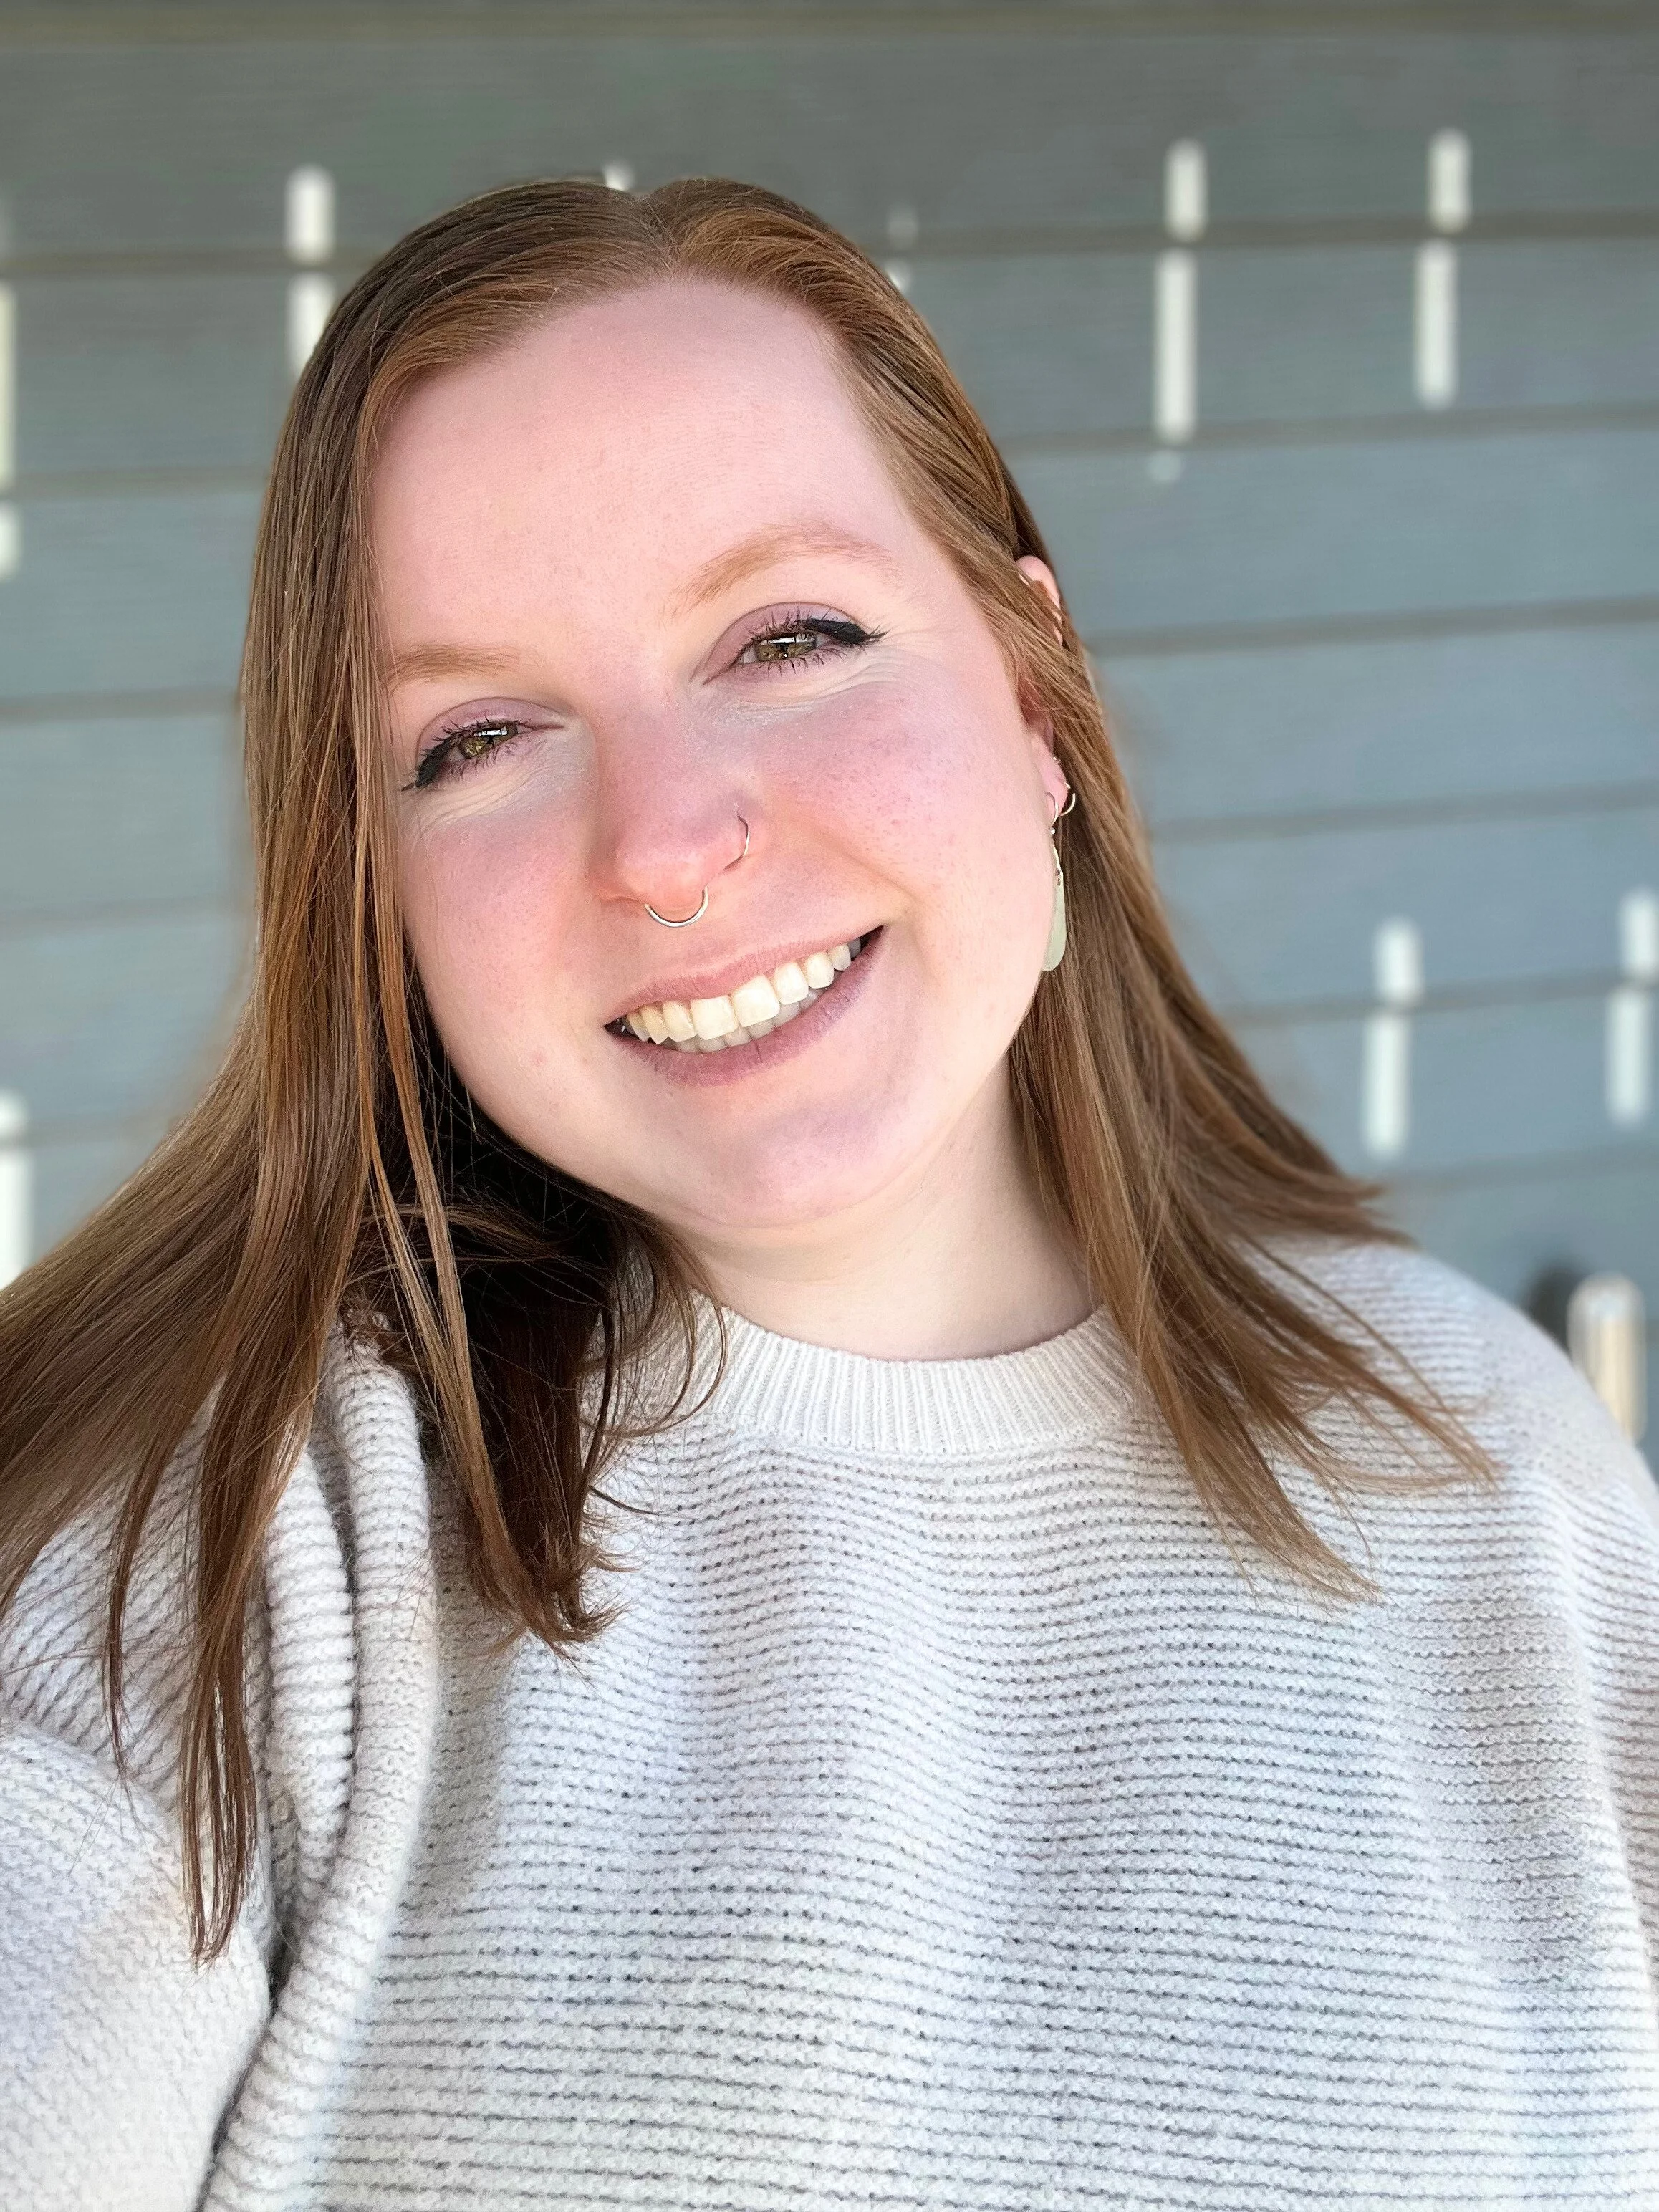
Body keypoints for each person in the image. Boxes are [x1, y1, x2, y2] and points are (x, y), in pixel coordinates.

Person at [1, 177, 1656, 2211]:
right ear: (371, 883)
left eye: (790, 636)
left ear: (1030, 693)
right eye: (481, 736)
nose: (669, 842)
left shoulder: (1487, 1460)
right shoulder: (222, 1530)